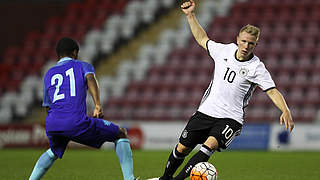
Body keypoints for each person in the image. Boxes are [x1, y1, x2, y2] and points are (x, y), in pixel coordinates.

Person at [148, 1, 294, 180]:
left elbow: (272, 91)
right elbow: (203, 39)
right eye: (244, 41)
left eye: (251, 43)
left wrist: (285, 109)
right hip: (206, 111)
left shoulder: (257, 68)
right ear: (237, 39)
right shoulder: (224, 50)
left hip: (230, 118)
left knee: (208, 146)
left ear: (256, 45)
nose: (246, 46)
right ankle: (164, 178)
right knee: (182, 148)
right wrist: (190, 16)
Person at [29, 37, 136, 180]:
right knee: (121, 133)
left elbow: (47, 105)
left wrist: (57, 123)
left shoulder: (49, 74)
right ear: (75, 52)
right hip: (75, 122)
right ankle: (130, 179)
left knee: (53, 151)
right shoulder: (82, 66)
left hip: (53, 123)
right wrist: (98, 105)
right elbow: (90, 79)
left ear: (59, 54)